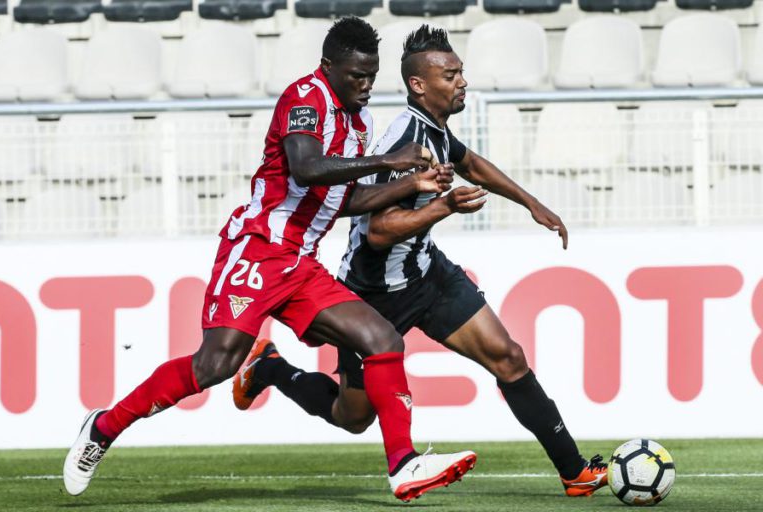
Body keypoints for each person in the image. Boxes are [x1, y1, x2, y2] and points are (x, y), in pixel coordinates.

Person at [63, 17, 478, 503]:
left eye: (371, 76)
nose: (365, 86)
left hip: (301, 264)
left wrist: (411, 186)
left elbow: (339, 200)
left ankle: (404, 465)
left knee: (381, 338)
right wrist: (390, 163)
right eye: (355, 76)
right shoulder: (305, 97)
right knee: (215, 365)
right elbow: (306, 167)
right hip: (258, 250)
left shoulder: (358, 122)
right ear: (329, 67)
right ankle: (103, 427)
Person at [233, 25, 609, 498]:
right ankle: (270, 368)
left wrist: (530, 202)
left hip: (428, 275)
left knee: (508, 357)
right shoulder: (403, 141)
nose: (461, 82)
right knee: (353, 417)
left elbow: (469, 163)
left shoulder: (434, 130)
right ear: (419, 84)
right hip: (372, 292)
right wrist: (443, 207)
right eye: (450, 75)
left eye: (461, 72)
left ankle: (575, 471)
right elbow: (376, 231)